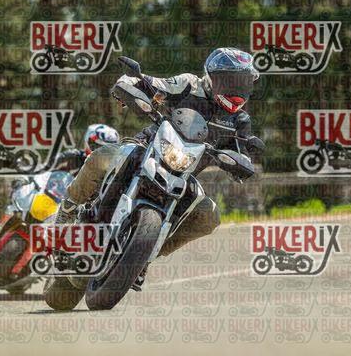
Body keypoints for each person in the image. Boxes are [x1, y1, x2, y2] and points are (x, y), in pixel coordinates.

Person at [57, 47, 261, 284]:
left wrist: (241, 164)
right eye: (231, 81)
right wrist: (129, 85)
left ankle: (145, 255)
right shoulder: (189, 85)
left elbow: (242, 152)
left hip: (183, 174)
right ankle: (69, 206)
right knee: (102, 156)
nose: (236, 89)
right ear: (212, 77)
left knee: (209, 216)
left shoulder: (240, 120)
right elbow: (152, 84)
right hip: (147, 148)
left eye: (242, 83)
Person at [54, 124, 120, 175]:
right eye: (98, 146)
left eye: (109, 150)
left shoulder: (118, 168)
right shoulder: (76, 157)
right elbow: (53, 162)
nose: (102, 152)